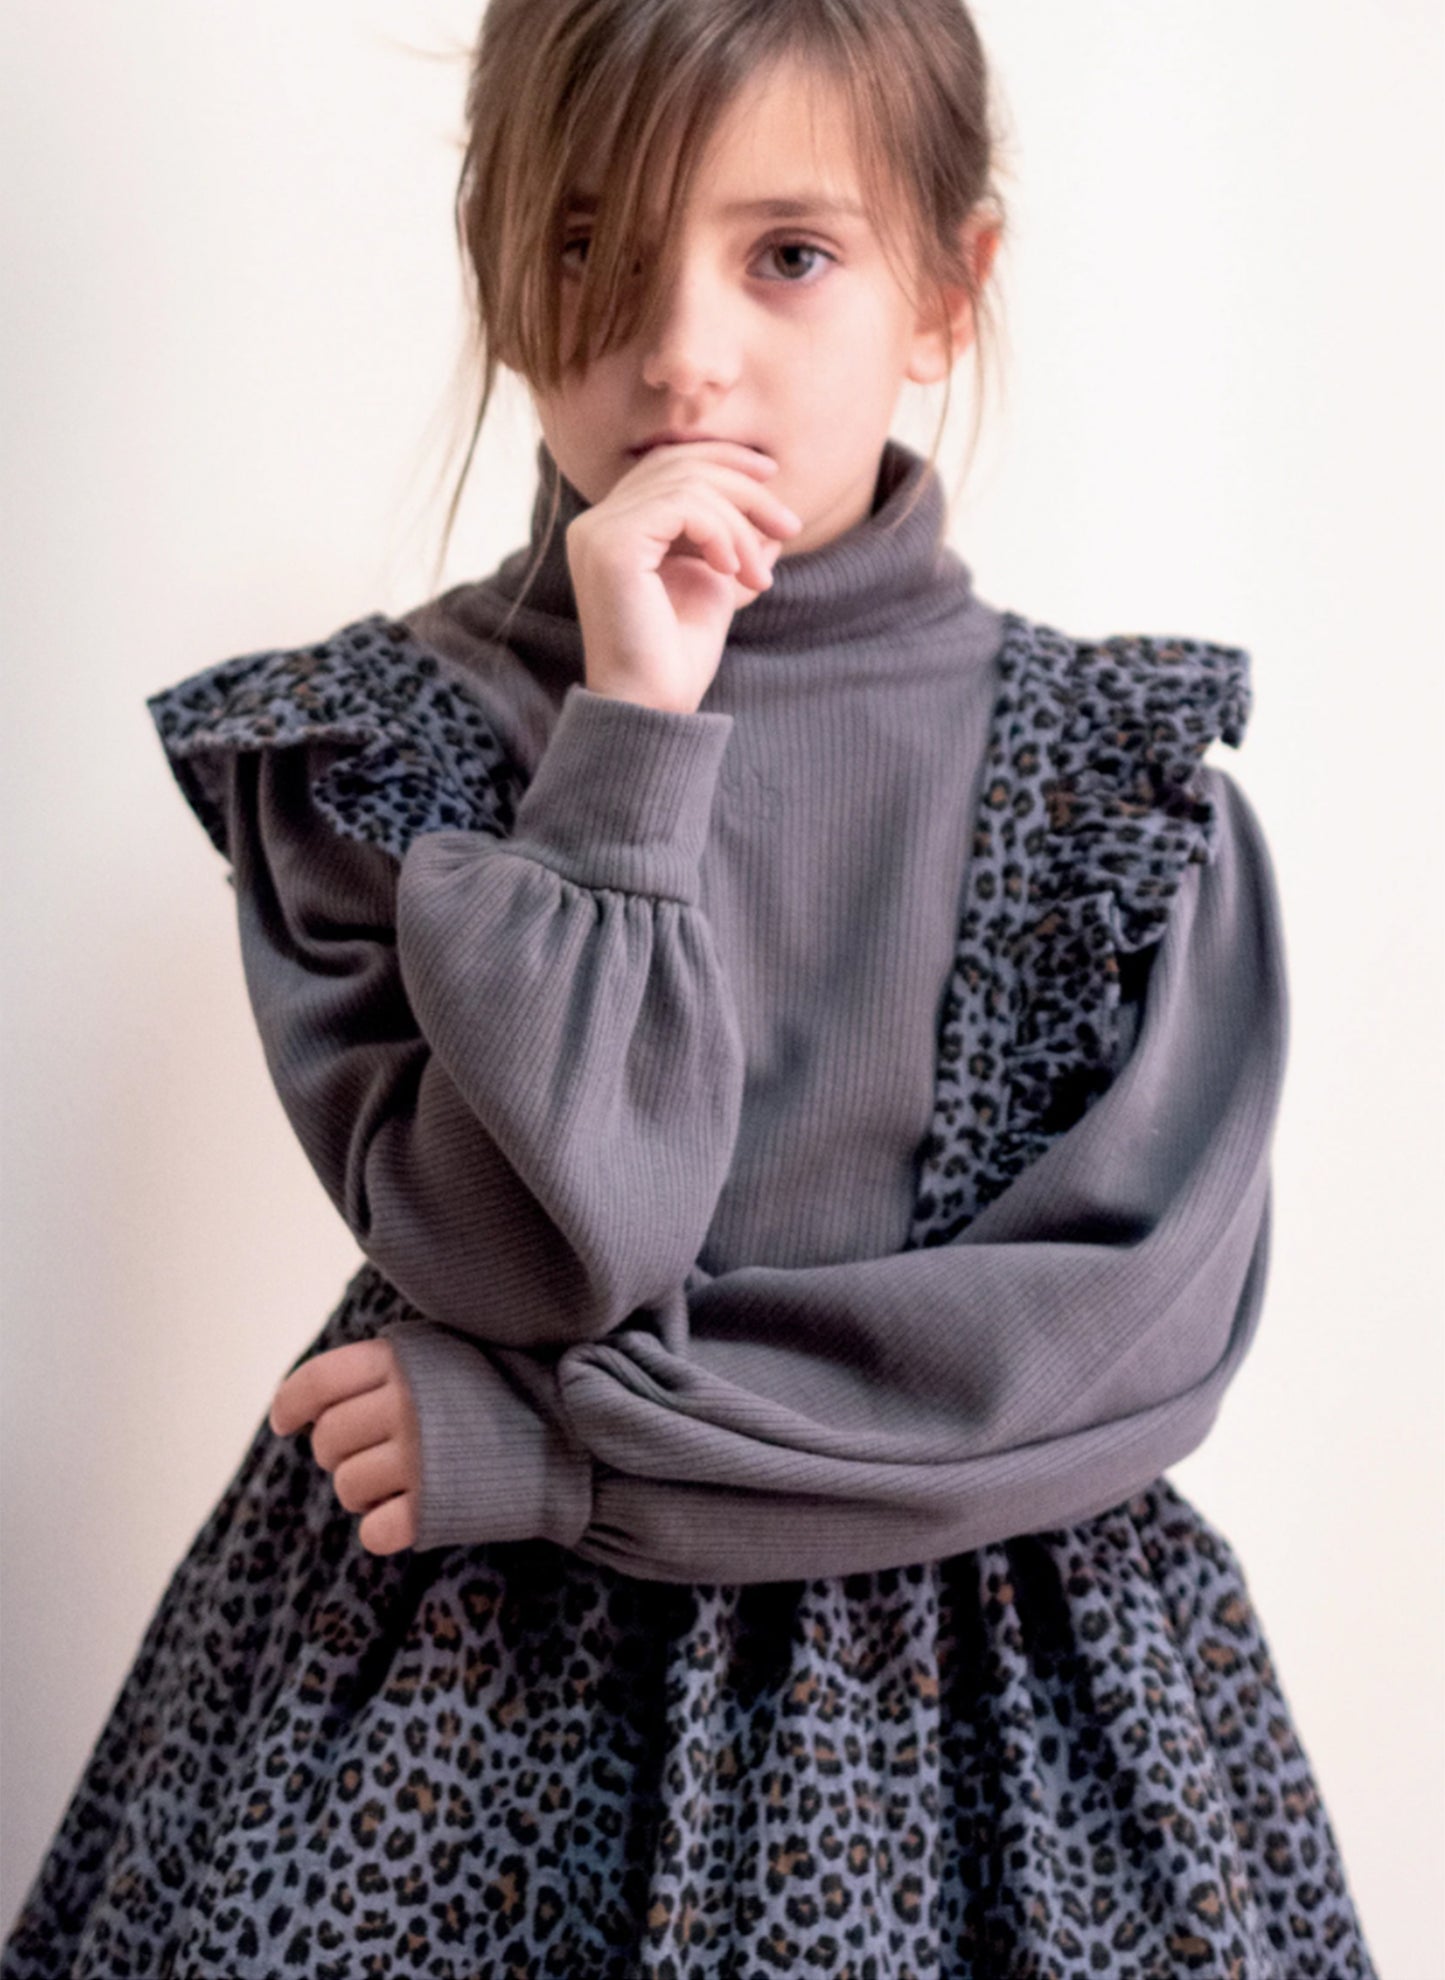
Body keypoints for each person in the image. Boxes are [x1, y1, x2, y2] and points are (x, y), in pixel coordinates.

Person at [2, 2, 1380, 1974]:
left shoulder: (1124, 795)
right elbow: (541, 1255)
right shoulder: (371, 757)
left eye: (787, 253)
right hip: (461, 1726)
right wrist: (630, 746)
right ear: (497, 267)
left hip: (989, 1729)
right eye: (592, 244)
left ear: (948, 291)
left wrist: (563, 1450)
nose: (679, 351)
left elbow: (1111, 1344)